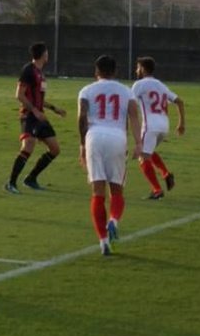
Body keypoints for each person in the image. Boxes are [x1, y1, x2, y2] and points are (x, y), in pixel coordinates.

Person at [77, 54, 143, 255]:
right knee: (117, 191)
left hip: (94, 136)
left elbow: (81, 117)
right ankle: (113, 221)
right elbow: (133, 116)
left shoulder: (86, 90)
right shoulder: (126, 91)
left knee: (97, 192)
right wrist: (139, 143)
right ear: (115, 71)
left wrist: (82, 144)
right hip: (117, 137)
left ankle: (103, 241)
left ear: (96, 71)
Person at [4, 41, 66, 193]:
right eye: (47, 52)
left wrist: (53, 108)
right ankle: (11, 183)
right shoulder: (28, 70)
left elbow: (38, 98)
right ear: (44, 54)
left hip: (40, 116)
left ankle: (31, 179)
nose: (48, 55)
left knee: (55, 149)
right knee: (28, 146)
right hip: (29, 116)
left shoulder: (40, 73)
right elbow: (19, 94)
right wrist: (34, 111)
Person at [130, 56, 184, 200]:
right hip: (164, 126)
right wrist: (181, 123)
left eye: (138, 67)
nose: (136, 70)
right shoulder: (160, 85)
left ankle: (157, 190)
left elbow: (130, 103)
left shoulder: (139, 84)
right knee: (149, 151)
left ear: (143, 69)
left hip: (150, 126)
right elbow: (179, 101)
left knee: (143, 157)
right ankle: (166, 174)